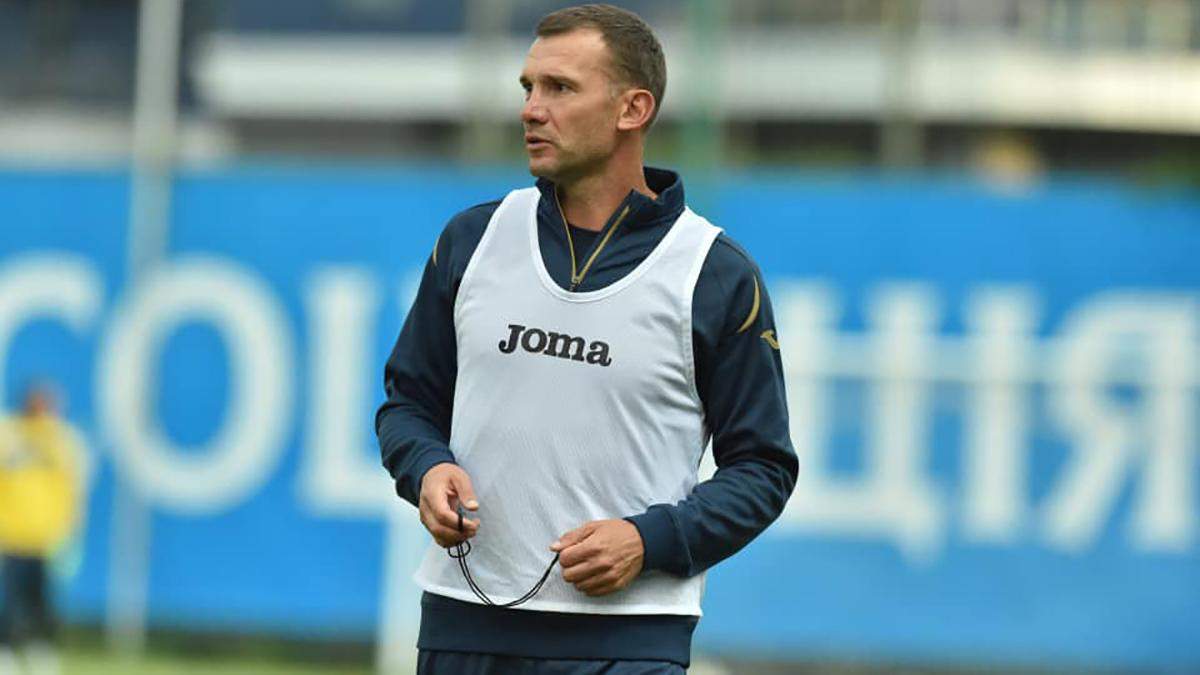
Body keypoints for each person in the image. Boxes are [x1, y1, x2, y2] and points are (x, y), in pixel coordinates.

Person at [376, 4, 797, 673]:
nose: (531, 109)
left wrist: (649, 539)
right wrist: (426, 466)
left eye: (560, 88)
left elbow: (764, 468)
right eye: (528, 87)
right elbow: (407, 404)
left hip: (628, 643)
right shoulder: (472, 240)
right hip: (461, 628)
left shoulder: (714, 275)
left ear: (633, 108)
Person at [0, 383, 84, 675]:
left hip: (47, 539)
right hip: (11, 536)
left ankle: (41, 652)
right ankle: (6, 652)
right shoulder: (8, 434)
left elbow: (72, 489)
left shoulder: (62, 439)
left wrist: (70, 531)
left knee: (44, 602)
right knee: (10, 601)